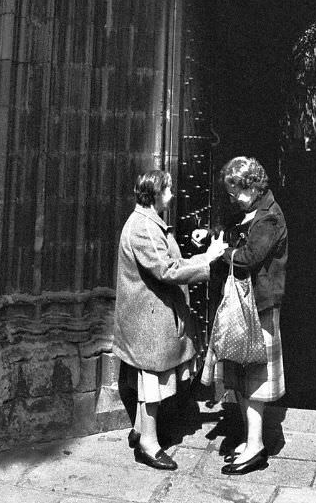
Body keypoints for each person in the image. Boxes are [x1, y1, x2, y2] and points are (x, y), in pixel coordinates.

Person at [112, 170, 227, 470]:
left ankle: (140, 431)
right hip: (148, 320)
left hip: (150, 316)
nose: (173, 194)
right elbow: (167, 270)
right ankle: (149, 445)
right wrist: (208, 260)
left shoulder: (149, 223)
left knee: (150, 378)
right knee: (152, 380)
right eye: (169, 189)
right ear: (155, 193)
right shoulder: (143, 227)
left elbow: (168, 261)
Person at [200, 156, 288, 476]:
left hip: (260, 306)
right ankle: (251, 440)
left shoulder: (269, 217)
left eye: (235, 190)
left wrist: (221, 253)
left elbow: (250, 257)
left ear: (251, 185)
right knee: (241, 372)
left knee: (255, 377)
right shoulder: (253, 212)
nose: (232, 197)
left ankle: (256, 447)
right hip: (245, 305)